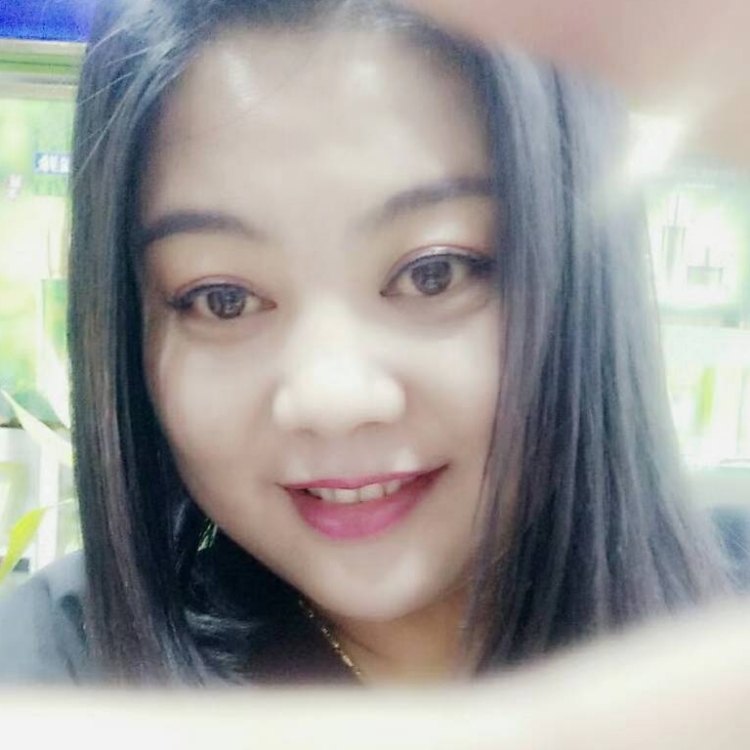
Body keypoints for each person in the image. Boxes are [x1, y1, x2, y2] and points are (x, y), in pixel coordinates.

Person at [0, 0, 736, 687]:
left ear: (582, 273)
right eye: (222, 299)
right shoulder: (49, 679)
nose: (333, 399)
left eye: (433, 273)